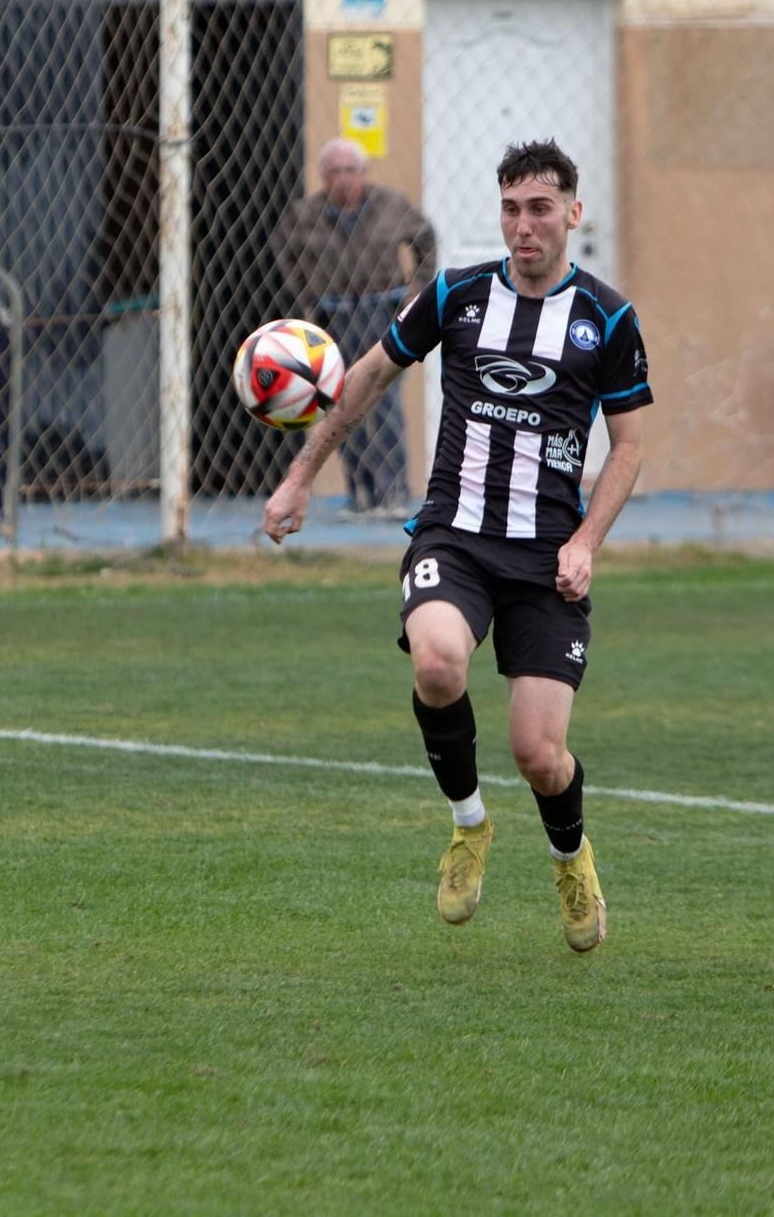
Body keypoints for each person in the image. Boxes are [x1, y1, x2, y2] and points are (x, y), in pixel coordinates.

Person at [261, 139, 651, 953]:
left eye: (540, 209)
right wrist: (301, 476)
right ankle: (469, 824)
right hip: (456, 536)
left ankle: (570, 855)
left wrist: (586, 541)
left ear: (573, 213)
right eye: (511, 209)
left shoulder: (607, 318)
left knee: (540, 753)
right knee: (437, 661)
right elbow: (367, 376)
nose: (523, 226)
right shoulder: (456, 295)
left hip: (547, 556)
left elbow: (630, 447)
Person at [270, 137, 438, 514]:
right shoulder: (303, 214)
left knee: (385, 402)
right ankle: (361, 493)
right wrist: (308, 294)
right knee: (341, 401)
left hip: (383, 310)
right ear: (323, 177)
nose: (344, 180)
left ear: (363, 173)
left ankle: (393, 493)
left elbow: (425, 238)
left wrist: (417, 290)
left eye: (351, 171)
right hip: (335, 314)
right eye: (335, 172)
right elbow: (284, 255)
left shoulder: (391, 205)